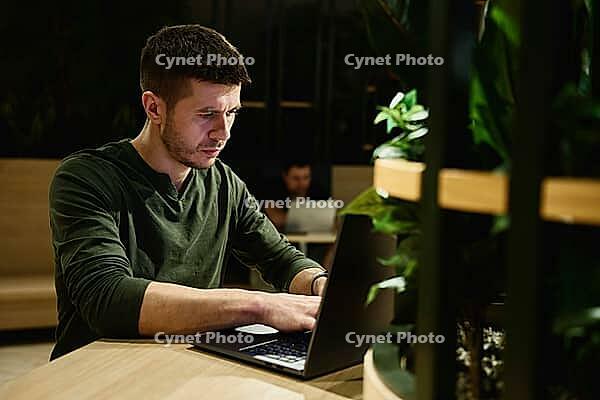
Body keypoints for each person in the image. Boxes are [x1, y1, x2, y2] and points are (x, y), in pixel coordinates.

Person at [48, 25, 327, 360]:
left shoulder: (224, 184)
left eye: (232, 113)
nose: (223, 133)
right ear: (154, 108)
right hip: (97, 373)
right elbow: (107, 298)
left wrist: (321, 286)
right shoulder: (86, 178)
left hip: (185, 368)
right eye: (206, 114)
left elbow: (280, 259)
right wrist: (258, 305)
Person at [262, 159, 328, 231]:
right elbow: (274, 219)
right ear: (285, 177)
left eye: (306, 178)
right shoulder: (274, 191)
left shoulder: (318, 192)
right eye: (296, 178)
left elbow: (329, 219)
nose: (301, 183)